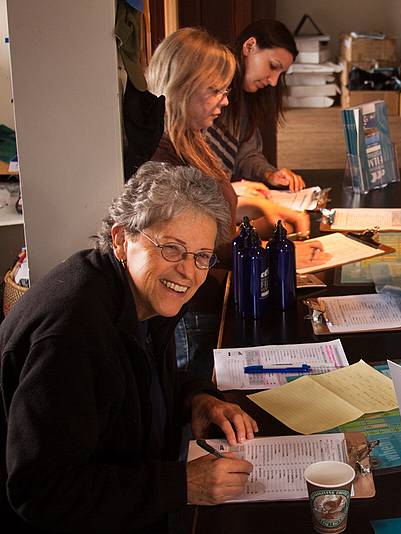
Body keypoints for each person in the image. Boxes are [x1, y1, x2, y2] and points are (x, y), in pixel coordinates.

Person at [0, 163, 258, 533]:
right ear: (121, 239)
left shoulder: (142, 296)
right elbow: (40, 492)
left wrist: (196, 398)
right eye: (172, 249)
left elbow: (135, 383)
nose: (189, 271)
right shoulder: (71, 335)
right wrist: (183, 484)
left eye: (202, 256)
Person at [146, 26, 312, 238]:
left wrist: (264, 185)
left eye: (224, 92)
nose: (273, 81)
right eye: (216, 91)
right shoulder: (163, 156)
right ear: (183, 87)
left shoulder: (193, 139)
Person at [206, 19, 306, 201]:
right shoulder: (205, 95)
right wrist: (232, 189)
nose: (274, 82)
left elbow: (246, 153)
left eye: (280, 74)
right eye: (273, 66)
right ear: (249, 46)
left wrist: (269, 174)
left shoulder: (246, 98)